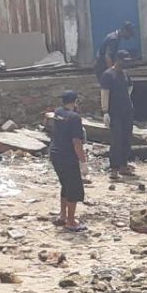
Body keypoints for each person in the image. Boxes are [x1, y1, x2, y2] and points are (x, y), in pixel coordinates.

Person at [50, 90, 88, 232]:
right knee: (74, 188)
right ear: (76, 102)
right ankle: (71, 222)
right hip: (68, 156)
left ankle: (63, 216)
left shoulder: (58, 112)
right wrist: (83, 162)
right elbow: (76, 142)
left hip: (55, 153)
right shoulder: (74, 118)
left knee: (65, 184)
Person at [100, 49, 135, 178]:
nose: (125, 64)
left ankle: (123, 166)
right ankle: (114, 168)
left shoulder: (125, 74)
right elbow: (105, 93)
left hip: (127, 110)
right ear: (117, 60)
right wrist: (105, 111)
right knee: (116, 140)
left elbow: (130, 88)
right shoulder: (108, 75)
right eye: (123, 61)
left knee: (126, 139)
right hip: (114, 112)